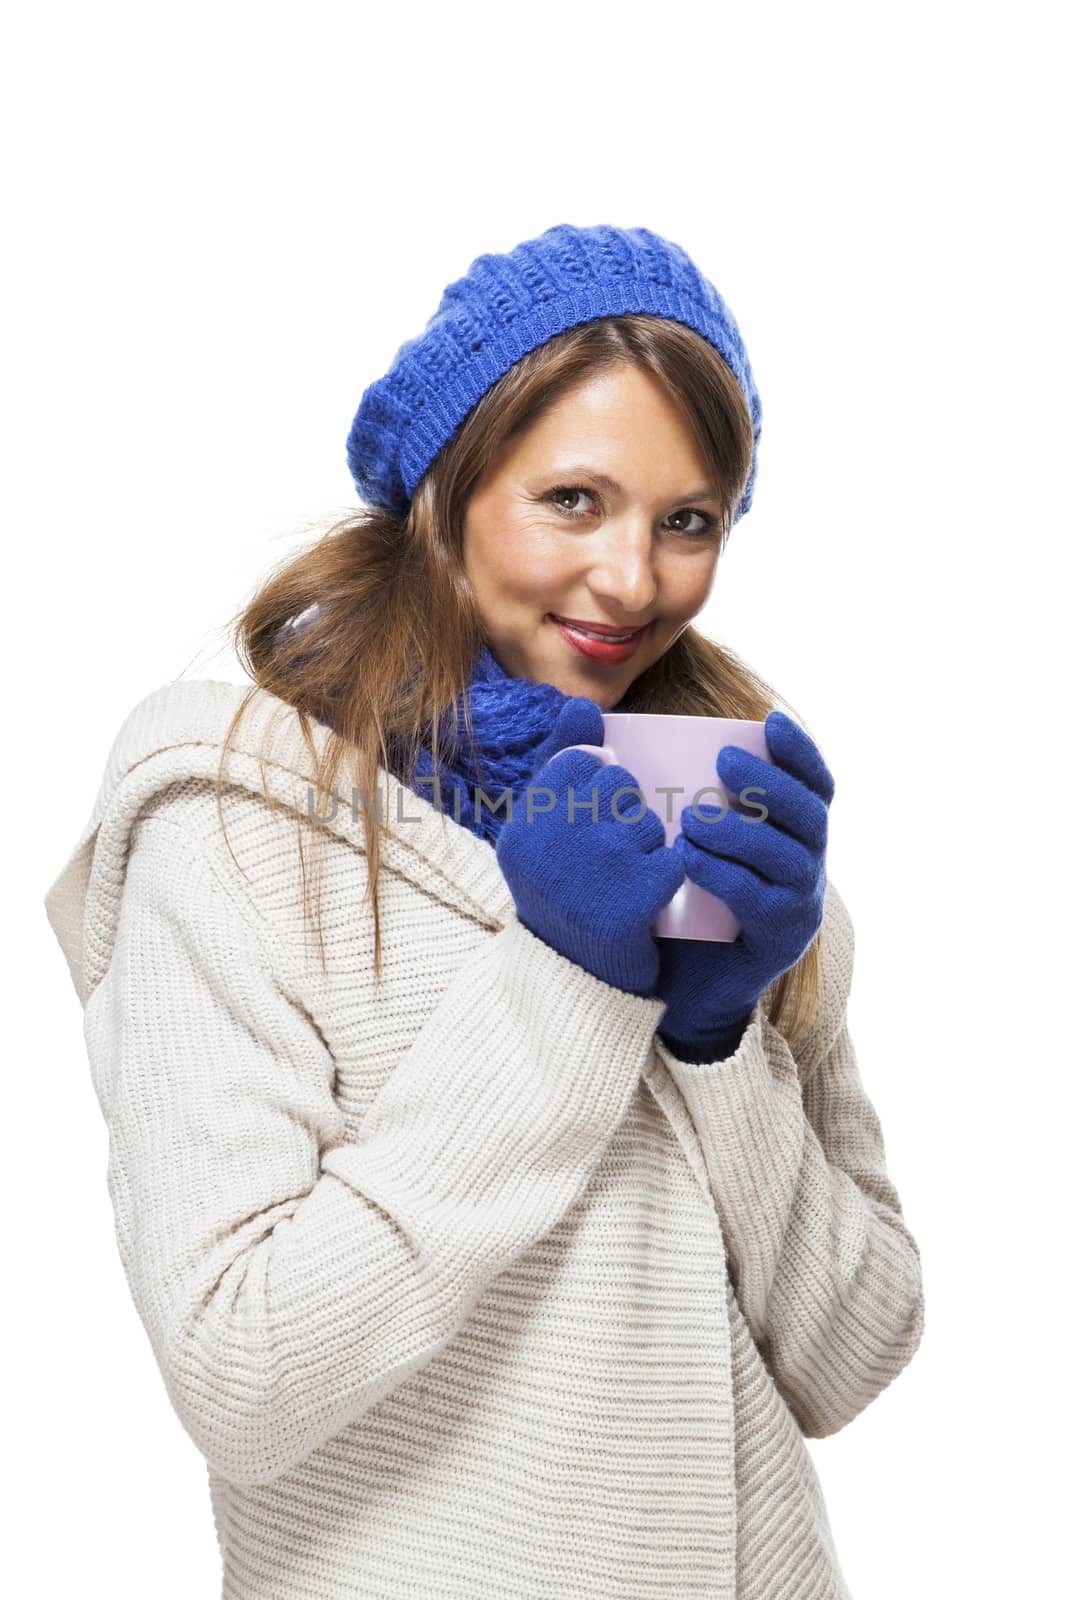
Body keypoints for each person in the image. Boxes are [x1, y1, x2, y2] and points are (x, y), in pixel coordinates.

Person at [43, 222, 924, 1599]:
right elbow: (243, 1373)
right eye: (573, 500)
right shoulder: (239, 821)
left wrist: (718, 1041)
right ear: (447, 494)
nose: (635, 581)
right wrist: (567, 983)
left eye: (687, 520)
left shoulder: (720, 817)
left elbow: (854, 1352)